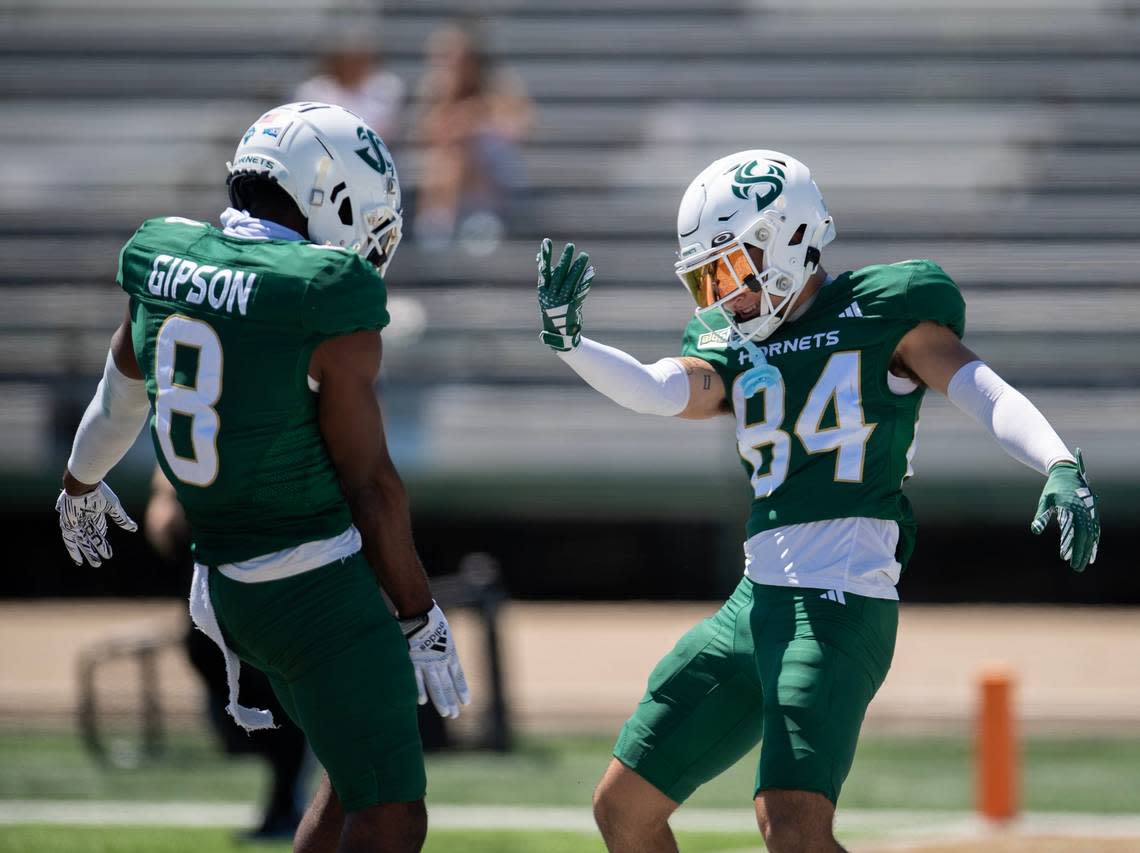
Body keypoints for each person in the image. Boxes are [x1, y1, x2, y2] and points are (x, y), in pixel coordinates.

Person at [536, 150, 1100, 853]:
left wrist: (1055, 459)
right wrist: (574, 345)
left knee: (792, 822)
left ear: (788, 239)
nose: (721, 296)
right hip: (754, 600)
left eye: (731, 268)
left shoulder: (882, 310)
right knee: (622, 807)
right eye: (705, 277)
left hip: (839, 601)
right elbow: (659, 388)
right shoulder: (731, 345)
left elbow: (976, 385)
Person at [54, 102, 470, 853]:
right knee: (395, 809)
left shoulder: (162, 254)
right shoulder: (319, 290)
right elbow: (371, 484)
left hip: (224, 582)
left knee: (353, 774)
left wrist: (79, 480)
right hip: (311, 581)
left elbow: (119, 397)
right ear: (330, 198)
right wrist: (419, 614)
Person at [145, 469, 310, 841]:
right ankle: (289, 792)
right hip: (219, 569)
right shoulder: (186, 419)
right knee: (217, 666)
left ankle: (291, 799)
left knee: (287, 694)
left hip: (276, 565)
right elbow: (163, 520)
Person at [412, 23, 534, 252]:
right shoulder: (437, 89)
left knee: (465, 153)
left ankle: (473, 220)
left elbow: (518, 127)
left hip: (496, 167)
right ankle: (439, 221)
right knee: (448, 159)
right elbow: (429, 134)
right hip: (454, 169)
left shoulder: (501, 85)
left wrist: (472, 122)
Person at [293, 39, 405, 143]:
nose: (352, 66)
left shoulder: (386, 87)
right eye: (347, 59)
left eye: (359, 59)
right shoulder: (313, 90)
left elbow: (384, 130)